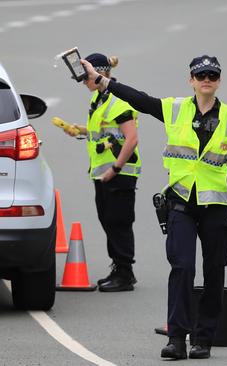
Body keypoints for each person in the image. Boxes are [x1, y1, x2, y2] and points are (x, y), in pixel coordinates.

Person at [80, 55, 227, 360]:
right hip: (180, 202)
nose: (206, 80)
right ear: (191, 80)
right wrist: (103, 81)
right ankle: (177, 337)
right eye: (200, 76)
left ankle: (203, 338)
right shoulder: (175, 109)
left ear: (218, 81)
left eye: (212, 76)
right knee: (182, 267)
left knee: (214, 272)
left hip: (215, 206)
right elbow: (140, 100)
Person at [61, 53, 140, 292]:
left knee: (119, 221)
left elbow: (131, 138)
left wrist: (115, 168)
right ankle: (118, 267)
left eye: (86, 76)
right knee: (108, 219)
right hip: (103, 172)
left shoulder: (118, 101)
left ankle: (125, 273)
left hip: (120, 172)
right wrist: (80, 130)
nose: (85, 82)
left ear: (101, 73)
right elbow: (105, 131)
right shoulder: (100, 99)